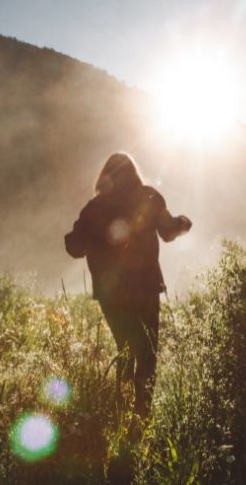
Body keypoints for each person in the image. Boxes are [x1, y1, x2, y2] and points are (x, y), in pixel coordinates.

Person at [64, 152, 191, 420]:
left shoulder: (94, 208)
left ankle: (122, 416)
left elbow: (74, 247)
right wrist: (183, 224)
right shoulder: (149, 197)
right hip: (145, 287)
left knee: (125, 348)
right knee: (147, 353)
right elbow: (168, 231)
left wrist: (90, 238)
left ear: (105, 176)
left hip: (111, 292)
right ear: (134, 173)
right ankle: (141, 417)